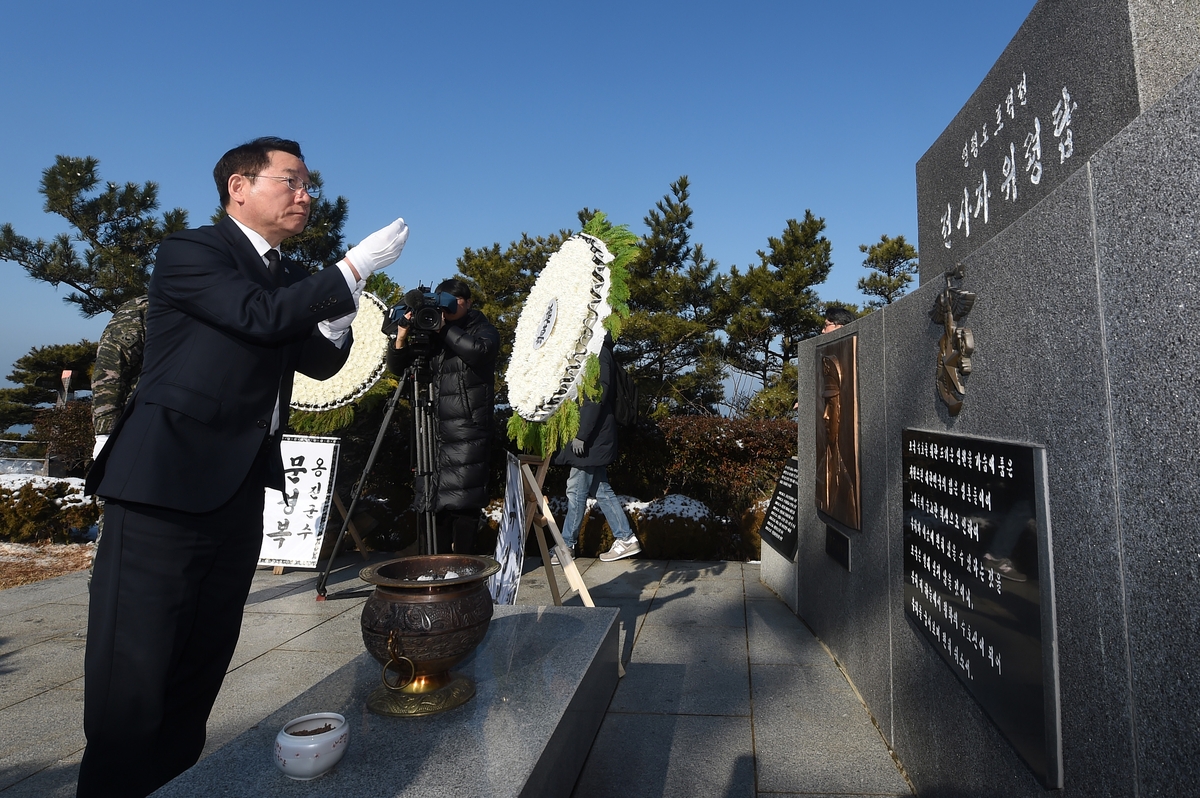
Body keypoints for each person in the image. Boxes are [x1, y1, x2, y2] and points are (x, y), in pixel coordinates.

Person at [80, 136, 409, 798]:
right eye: (292, 181)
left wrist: (339, 321)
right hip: (162, 488)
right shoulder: (191, 252)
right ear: (238, 187)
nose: (305, 195)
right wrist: (349, 269)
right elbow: (256, 317)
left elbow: (314, 360)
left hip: (235, 492)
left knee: (198, 675)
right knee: (132, 685)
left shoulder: (288, 275)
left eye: (308, 185)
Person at [386, 278, 499, 555]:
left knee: (463, 503)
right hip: (434, 429)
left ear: (469, 302)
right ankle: (434, 569)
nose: (447, 308)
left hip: (466, 430)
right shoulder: (431, 329)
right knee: (434, 500)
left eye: (454, 302)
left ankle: (463, 570)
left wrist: (444, 328)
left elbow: (478, 351)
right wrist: (401, 337)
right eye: (442, 302)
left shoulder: (482, 329)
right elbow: (399, 369)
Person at [552, 334, 641, 563]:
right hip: (594, 436)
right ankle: (626, 538)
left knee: (575, 490)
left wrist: (581, 434)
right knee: (601, 489)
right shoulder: (595, 351)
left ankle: (566, 545)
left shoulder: (598, 353)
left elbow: (596, 395)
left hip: (591, 438)